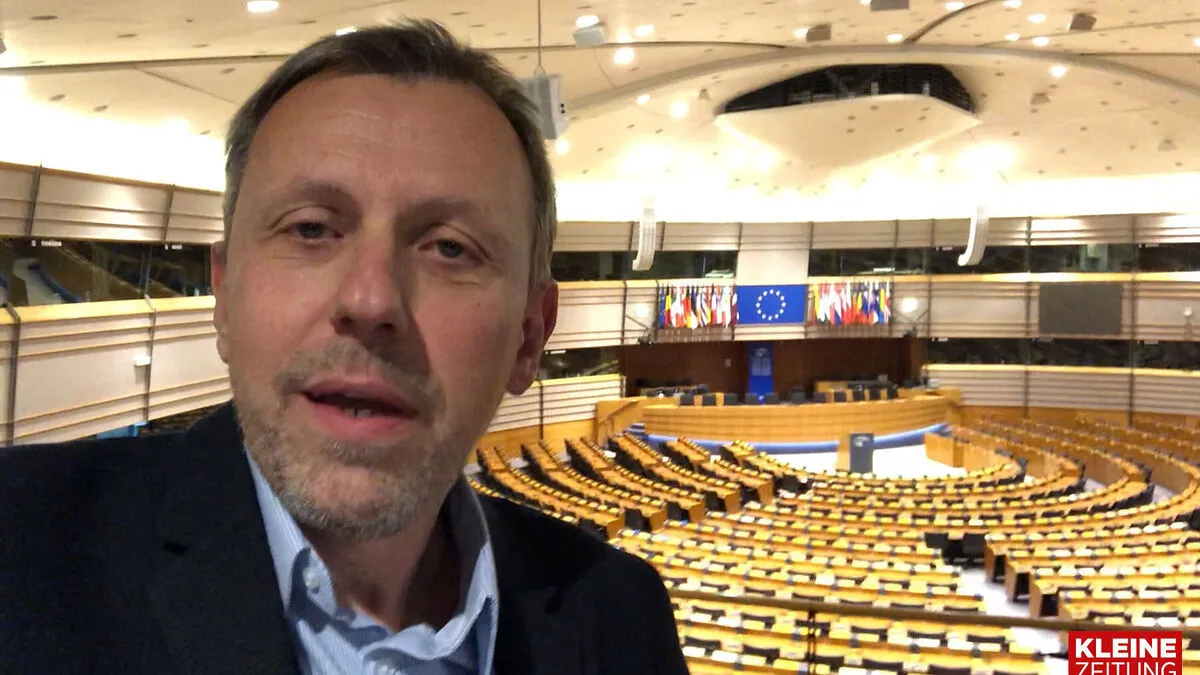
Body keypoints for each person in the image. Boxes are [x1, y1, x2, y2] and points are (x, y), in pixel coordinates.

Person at [0, 21, 688, 675]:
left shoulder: (619, 617)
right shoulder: (18, 544)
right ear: (225, 294)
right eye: (310, 229)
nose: (370, 300)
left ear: (529, 337)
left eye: (450, 248)